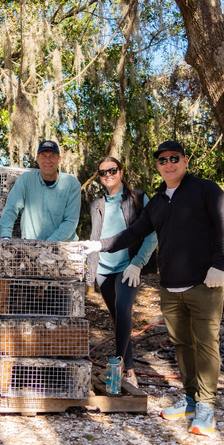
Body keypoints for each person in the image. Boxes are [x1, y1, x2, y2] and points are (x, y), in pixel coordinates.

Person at [84, 140, 224, 436]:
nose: (168, 164)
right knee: (183, 345)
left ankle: (206, 406)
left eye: (174, 158)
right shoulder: (157, 201)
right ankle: (191, 398)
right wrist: (98, 245)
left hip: (204, 283)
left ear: (185, 160)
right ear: (158, 166)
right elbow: (134, 233)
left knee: (206, 344)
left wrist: (221, 264)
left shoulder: (205, 190)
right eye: (162, 160)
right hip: (171, 286)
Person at [87, 156, 157, 388]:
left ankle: (116, 366)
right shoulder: (96, 204)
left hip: (128, 267)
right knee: (117, 318)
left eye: (112, 170)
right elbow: (95, 238)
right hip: (103, 269)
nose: (108, 175)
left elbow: (152, 233)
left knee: (124, 308)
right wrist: (90, 268)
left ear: (121, 171)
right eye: (103, 172)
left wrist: (138, 262)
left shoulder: (138, 198)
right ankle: (130, 371)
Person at [0, 140, 81, 241]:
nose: (48, 160)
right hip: (32, 247)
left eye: (52, 156)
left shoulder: (72, 184)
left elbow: (71, 221)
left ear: (59, 159)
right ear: (37, 159)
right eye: (43, 156)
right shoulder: (25, 180)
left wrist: (49, 244)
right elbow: (11, 208)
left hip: (63, 247)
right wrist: (5, 236)